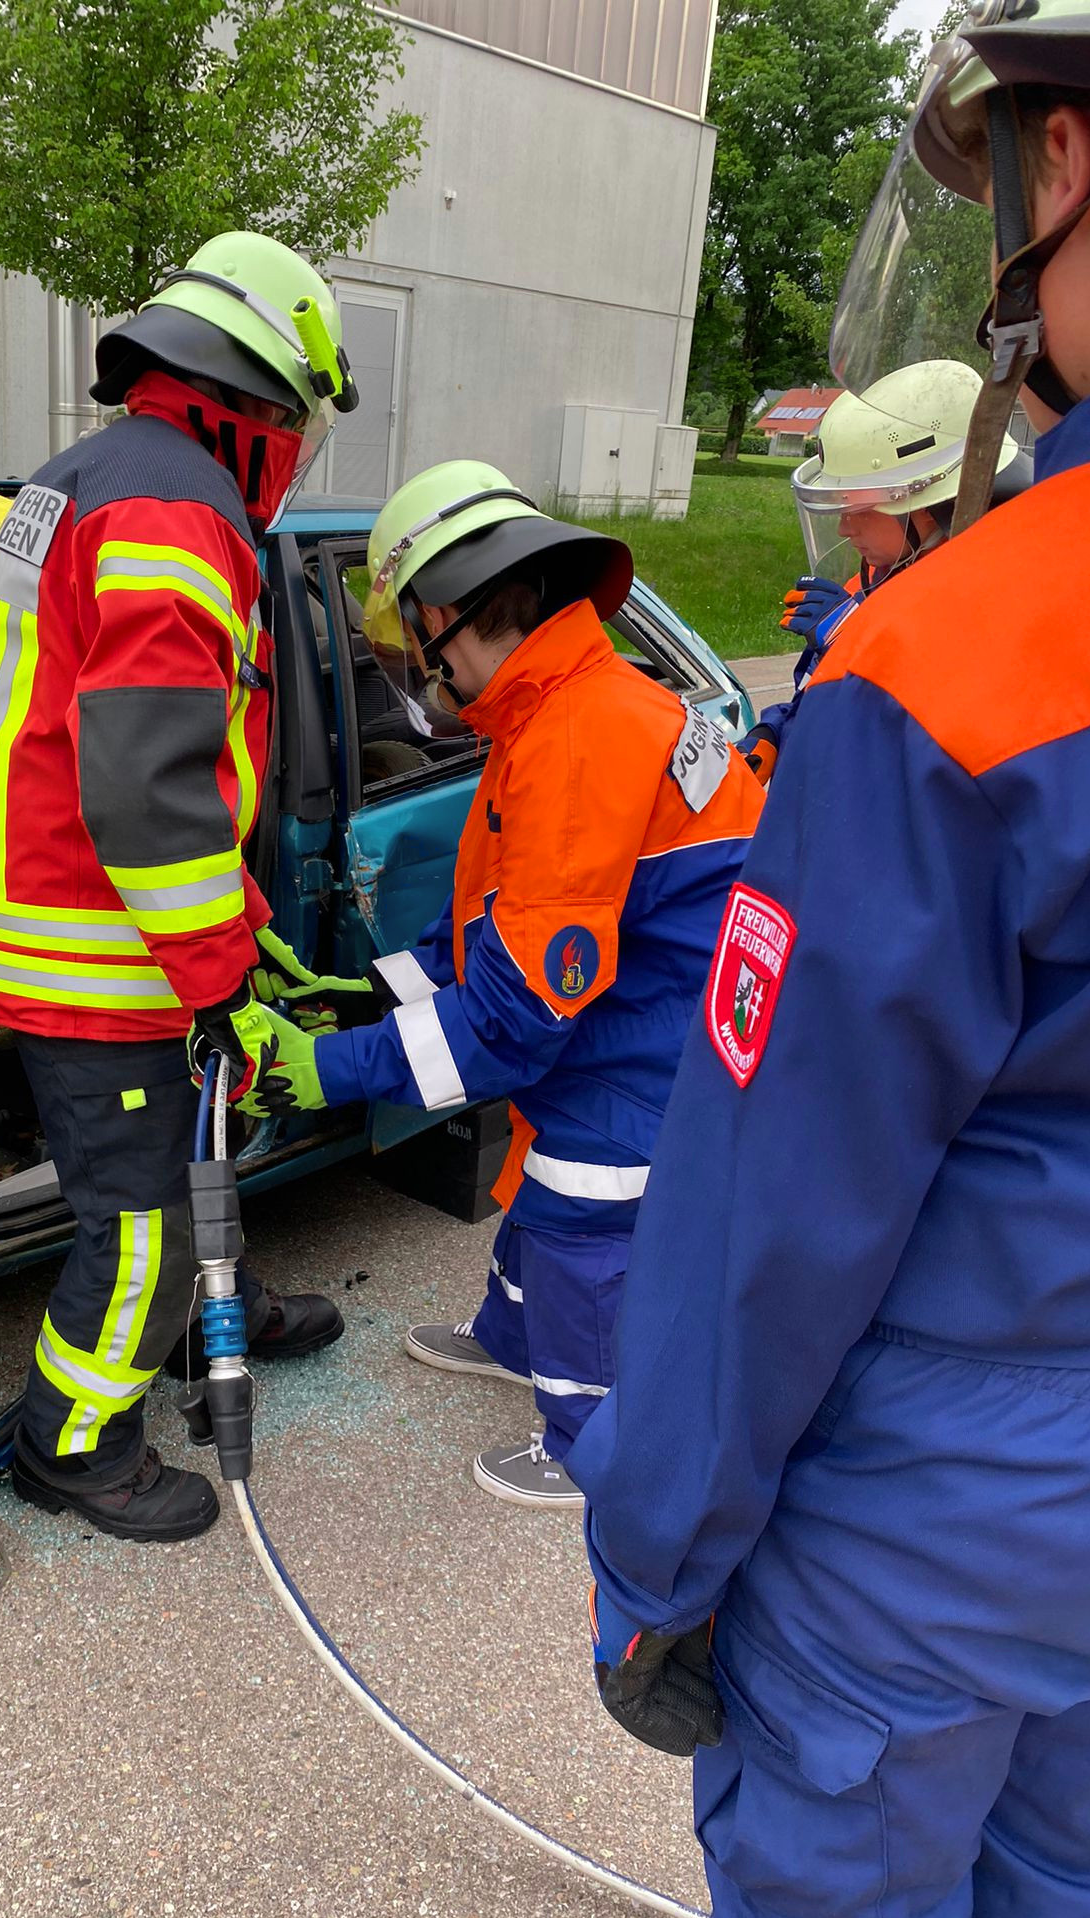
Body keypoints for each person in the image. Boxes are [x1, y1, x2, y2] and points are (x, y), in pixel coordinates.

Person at [569, 4, 1090, 1918]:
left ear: (1059, 165)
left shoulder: (965, 658)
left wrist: (660, 1561)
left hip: (938, 1534)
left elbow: (764, 1215)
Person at [243, 461, 762, 1506]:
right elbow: (492, 921)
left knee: (580, 1207)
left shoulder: (576, 738)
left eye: (400, 642)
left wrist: (328, 1070)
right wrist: (356, 992)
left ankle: (591, 1437)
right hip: (636, 1000)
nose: (405, 672)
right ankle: (514, 1335)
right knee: (535, 1184)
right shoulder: (560, 708)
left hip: (655, 1047)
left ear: (446, 613)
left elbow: (514, 1019)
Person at [0, 233, 359, 1542]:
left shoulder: (66, 485)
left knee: (187, 1164)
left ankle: (204, 1322)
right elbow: (146, 782)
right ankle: (77, 1443)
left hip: (44, 926)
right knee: (134, 1225)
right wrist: (223, 970)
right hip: (98, 952)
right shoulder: (179, 511)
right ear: (257, 402)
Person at [738, 359, 1029, 784]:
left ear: (928, 507)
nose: (842, 527)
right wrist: (779, 729)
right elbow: (825, 691)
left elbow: (935, 740)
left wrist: (858, 642)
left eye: (856, 508)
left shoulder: (1001, 600)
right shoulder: (881, 577)